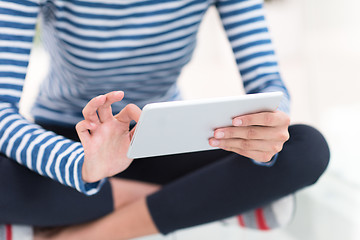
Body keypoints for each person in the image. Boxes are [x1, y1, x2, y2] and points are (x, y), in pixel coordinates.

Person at [0, 0, 330, 239]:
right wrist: (84, 166)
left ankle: (80, 233)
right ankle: (209, 201)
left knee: (305, 148)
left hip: (164, 143)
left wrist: (267, 130)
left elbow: (268, 85)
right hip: (72, 144)